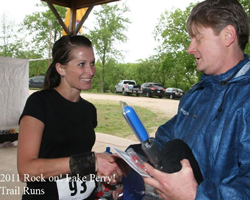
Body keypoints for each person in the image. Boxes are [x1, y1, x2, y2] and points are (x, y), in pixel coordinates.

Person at [142, 0, 250, 199]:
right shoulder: (196, 93)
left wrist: (195, 196)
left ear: (228, 36)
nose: (190, 49)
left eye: (198, 38)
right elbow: (166, 139)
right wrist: (132, 158)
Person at [17, 35, 124, 200]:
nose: (91, 71)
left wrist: (104, 176)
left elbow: (78, 158)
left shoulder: (89, 110)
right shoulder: (39, 103)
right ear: (61, 68)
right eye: (82, 64)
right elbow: (26, 170)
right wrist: (91, 161)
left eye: (92, 63)